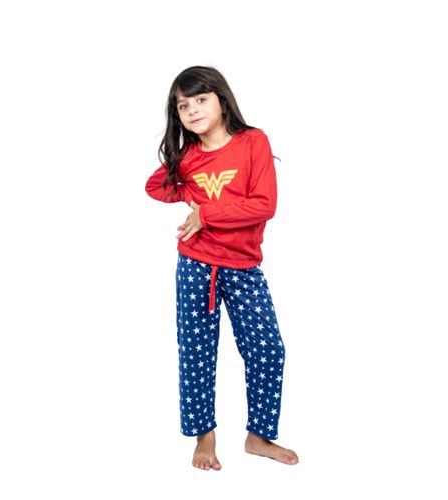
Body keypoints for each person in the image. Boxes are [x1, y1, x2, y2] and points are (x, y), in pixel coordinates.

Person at [145, 65, 299, 470]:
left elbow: (263, 204)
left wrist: (207, 212)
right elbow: (154, 185)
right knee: (196, 354)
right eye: (183, 106)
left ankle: (258, 437)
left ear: (222, 100)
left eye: (201, 100)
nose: (192, 110)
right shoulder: (188, 157)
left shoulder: (252, 142)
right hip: (195, 265)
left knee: (268, 349)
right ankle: (204, 437)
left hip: (242, 266)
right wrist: (190, 197)